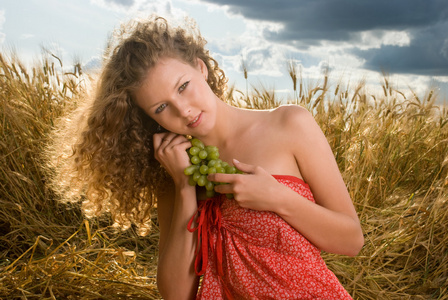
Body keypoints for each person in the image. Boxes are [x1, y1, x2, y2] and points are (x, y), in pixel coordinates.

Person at [53, 15, 364, 299]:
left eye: (184, 87)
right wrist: (185, 187)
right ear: (150, 118)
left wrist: (278, 197)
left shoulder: (289, 124)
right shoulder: (175, 171)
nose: (183, 110)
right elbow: (177, 294)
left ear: (200, 67)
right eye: (161, 108)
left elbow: (351, 241)